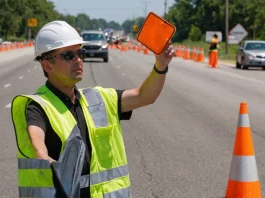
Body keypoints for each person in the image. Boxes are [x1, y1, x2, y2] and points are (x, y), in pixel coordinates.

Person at [11, 21, 175, 198]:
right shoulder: (38, 106)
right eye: (68, 55)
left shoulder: (99, 98)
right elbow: (38, 148)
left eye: (80, 53)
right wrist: (49, 163)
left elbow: (144, 96)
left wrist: (160, 65)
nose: (78, 60)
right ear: (47, 65)